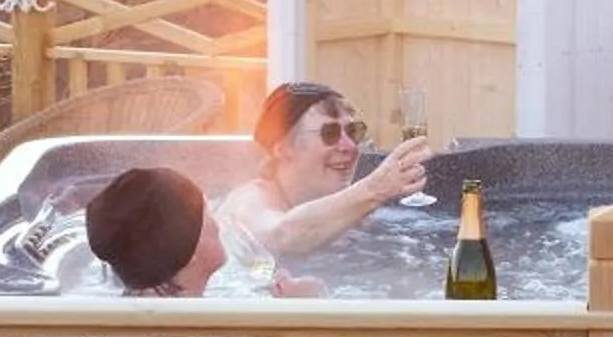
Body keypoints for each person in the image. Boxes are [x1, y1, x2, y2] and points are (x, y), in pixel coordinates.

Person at [216, 81, 432, 260]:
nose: (350, 147)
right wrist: (375, 190)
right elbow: (281, 236)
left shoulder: (348, 211)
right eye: (330, 133)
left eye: (353, 131)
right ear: (283, 148)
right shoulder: (248, 201)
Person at [83, 166, 317, 298]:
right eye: (206, 213)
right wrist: (304, 305)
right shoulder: (229, 326)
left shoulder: (142, 304)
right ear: (190, 250)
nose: (218, 222)